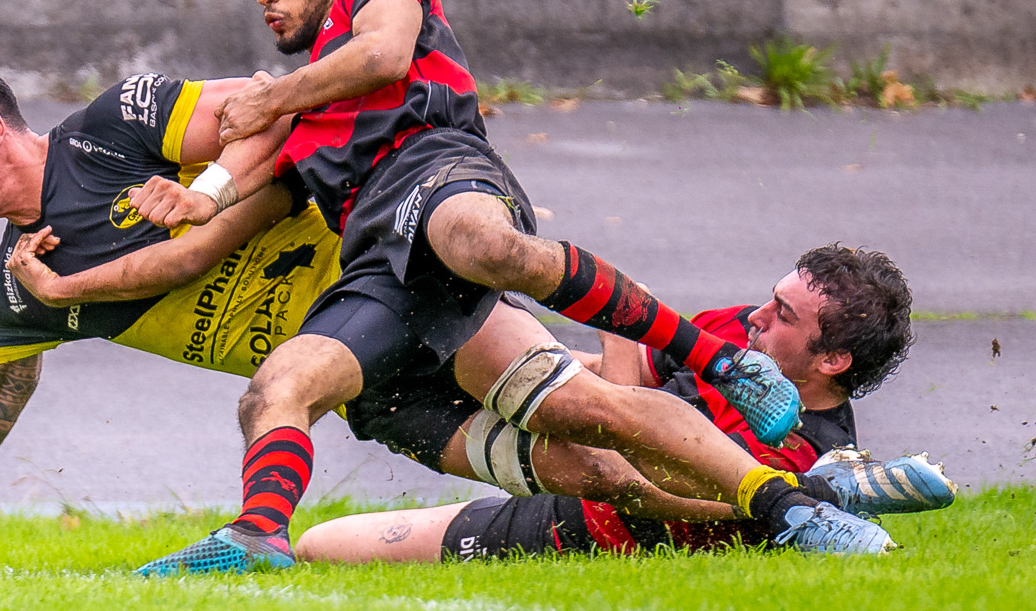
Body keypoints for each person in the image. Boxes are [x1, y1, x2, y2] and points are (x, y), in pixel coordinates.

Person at [0, 62, 926, 557]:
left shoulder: (122, 120)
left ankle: (799, 496)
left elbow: (278, 110)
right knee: (591, 474)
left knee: (600, 412)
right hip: (372, 388)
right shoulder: (9, 292)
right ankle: (785, 518)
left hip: (399, 283)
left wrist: (199, 197)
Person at [131, 0, 891, 574]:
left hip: (434, 169)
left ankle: (720, 364)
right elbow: (222, 210)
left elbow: (386, 51)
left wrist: (270, 105)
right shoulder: (300, 117)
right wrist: (189, 204)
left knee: (485, 248)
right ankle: (257, 539)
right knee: (281, 390)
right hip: (380, 267)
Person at [295, 246, 954, 563]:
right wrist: (539, 371)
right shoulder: (738, 335)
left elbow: (621, 438)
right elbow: (627, 376)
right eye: (770, 298)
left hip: (581, 528)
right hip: (571, 455)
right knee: (456, 318)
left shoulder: (799, 438)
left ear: (832, 360)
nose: (754, 318)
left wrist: (615, 319)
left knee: (321, 548)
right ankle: (823, 495)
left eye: (782, 316)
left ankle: (817, 496)